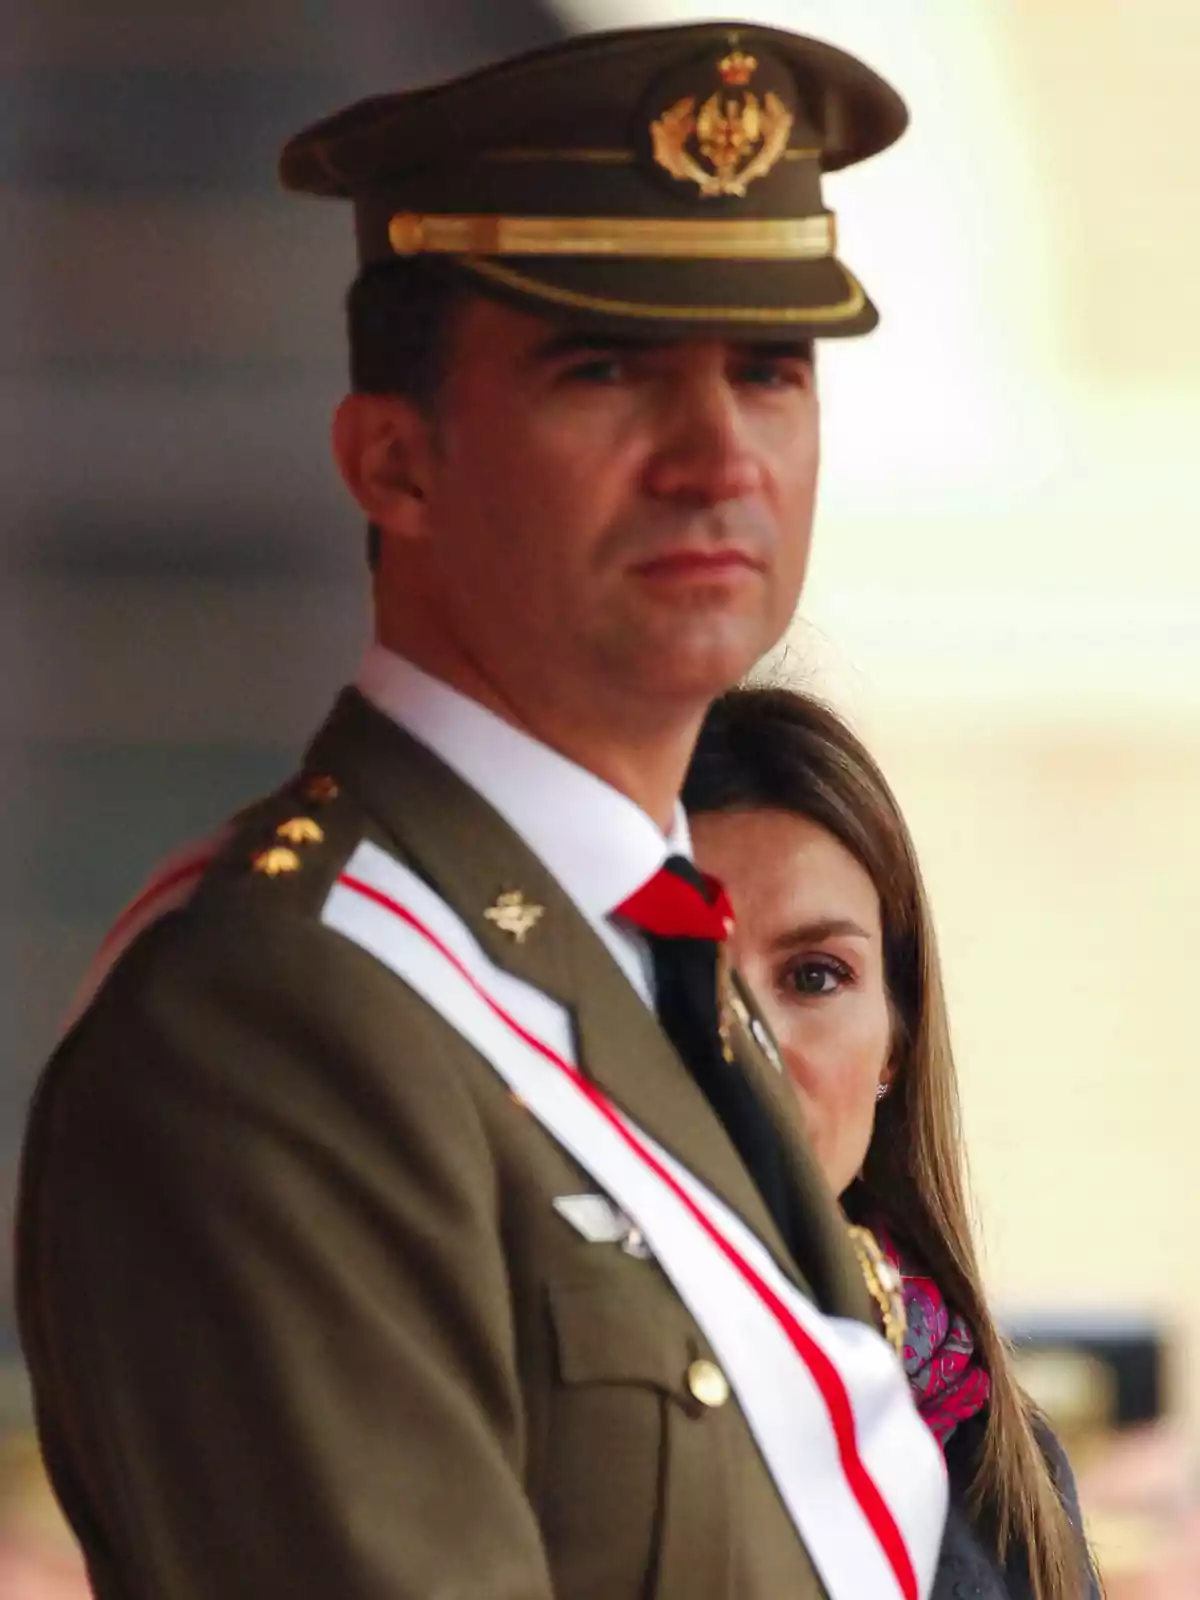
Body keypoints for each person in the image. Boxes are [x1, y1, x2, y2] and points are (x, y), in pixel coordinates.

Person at [16, 21, 949, 1600]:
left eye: (768, 373)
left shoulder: (653, 962)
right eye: (606, 369)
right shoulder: (279, 1021)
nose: (716, 454)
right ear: (395, 462)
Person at [684, 684, 1101, 1600]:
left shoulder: (999, 1461)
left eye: (816, 975)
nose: (755, 1044)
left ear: (896, 1038)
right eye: (685, 971)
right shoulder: (522, 1411)